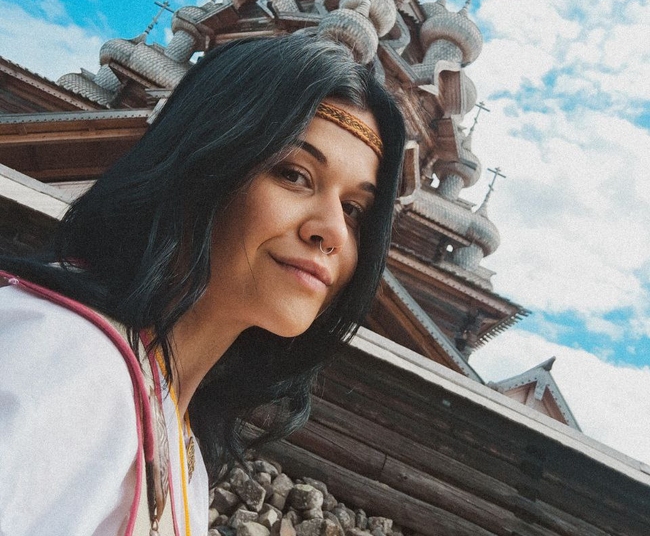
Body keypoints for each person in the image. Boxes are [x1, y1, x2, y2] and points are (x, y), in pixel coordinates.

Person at [0, 34, 406, 535]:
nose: (333, 232)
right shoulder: (69, 359)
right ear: (206, 162)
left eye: (354, 210)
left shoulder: (183, 446)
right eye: (294, 175)